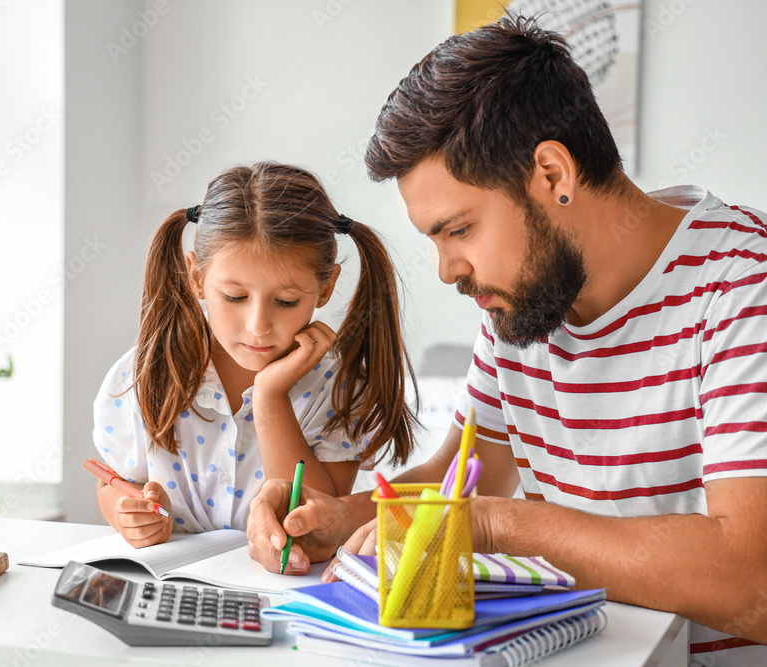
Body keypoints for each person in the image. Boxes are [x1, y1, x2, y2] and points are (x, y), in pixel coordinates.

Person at [244, 16, 767, 665]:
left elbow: (755, 580)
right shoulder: (522, 307)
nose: (447, 270)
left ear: (552, 173)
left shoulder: (743, 285)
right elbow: (462, 475)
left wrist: (495, 523)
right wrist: (343, 517)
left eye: (458, 229)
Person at [93, 161, 418, 549]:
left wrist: (271, 398)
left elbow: (316, 524)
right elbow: (112, 482)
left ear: (326, 286)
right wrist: (126, 512)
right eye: (235, 297)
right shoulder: (143, 374)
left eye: (285, 301)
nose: (257, 325)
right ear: (196, 278)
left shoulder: (338, 389)